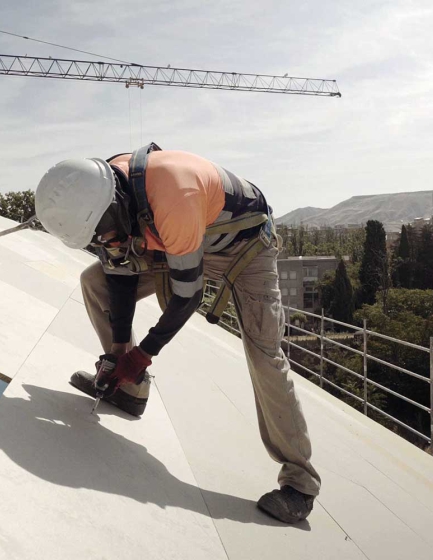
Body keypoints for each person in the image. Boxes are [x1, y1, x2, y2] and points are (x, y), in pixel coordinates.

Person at [34, 143, 321, 524]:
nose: (108, 242)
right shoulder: (99, 197)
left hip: (244, 248)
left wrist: (143, 353)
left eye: (107, 232)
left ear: (114, 205)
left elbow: (189, 295)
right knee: (95, 280)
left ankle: (300, 484)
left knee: (264, 353)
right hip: (177, 238)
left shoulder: (174, 194)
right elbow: (119, 277)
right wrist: (121, 352)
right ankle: (129, 388)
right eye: (97, 238)